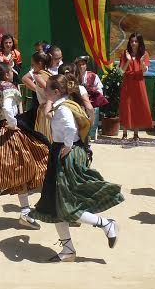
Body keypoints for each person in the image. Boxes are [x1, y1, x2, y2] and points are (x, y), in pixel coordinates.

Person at [30, 74, 123, 262]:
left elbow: (71, 129)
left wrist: (67, 146)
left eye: (47, 88)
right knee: (55, 206)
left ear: (56, 91)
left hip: (64, 154)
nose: (44, 90)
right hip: (61, 152)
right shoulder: (64, 104)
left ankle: (106, 224)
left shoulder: (64, 108)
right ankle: (68, 250)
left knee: (66, 203)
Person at [0, 62, 50, 229]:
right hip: (9, 131)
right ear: (7, 74)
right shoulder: (9, 88)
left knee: (19, 170)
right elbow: (8, 108)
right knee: (28, 165)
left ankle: (20, 209)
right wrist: (14, 124)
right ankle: (1, 195)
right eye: (11, 71)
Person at [119, 32, 153, 144]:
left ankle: (136, 134)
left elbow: (144, 70)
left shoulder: (144, 54)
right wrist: (128, 60)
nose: (133, 43)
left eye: (136, 41)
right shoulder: (125, 53)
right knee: (126, 106)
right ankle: (124, 133)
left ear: (139, 42)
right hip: (127, 82)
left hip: (139, 82)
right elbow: (122, 70)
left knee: (137, 106)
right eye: (132, 41)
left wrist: (142, 62)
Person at [21, 51, 54, 141]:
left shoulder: (39, 76)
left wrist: (39, 91)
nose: (32, 67)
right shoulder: (49, 74)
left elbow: (49, 91)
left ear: (39, 64)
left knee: (45, 138)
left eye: (33, 64)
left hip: (45, 109)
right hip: (49, 108)